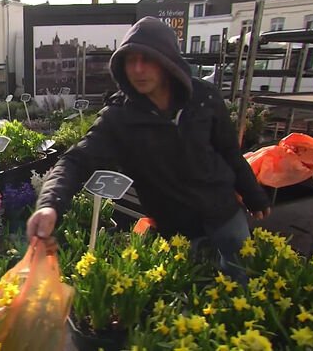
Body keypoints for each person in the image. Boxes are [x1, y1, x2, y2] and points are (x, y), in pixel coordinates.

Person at [27, 17, 271, 281]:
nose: (138, 69)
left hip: (225, 214)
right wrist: (49, 205)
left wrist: (253, 195)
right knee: (191, 300)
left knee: (243, 285)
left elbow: (230, 153)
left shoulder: (204, 98)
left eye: (147, 59)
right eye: (131, 61)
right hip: (177, 232)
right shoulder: (119, 117)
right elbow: (74, 160)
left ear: (167, 61)